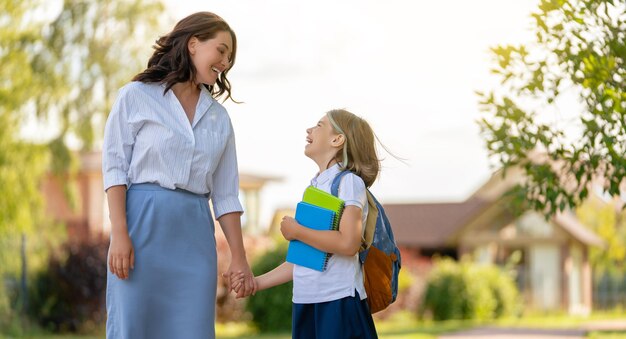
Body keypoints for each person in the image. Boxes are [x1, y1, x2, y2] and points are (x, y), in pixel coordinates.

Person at [102, 12, 254, 339]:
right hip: (141, 229)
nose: (226, 62)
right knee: (134, 328)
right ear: (194, 44)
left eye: (230, 57)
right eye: (222, 51)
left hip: (195, 238)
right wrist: (119, 232)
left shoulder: (219, 119)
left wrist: (239, 259)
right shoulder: (136, 96)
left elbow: (226, 195)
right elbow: (114, 167)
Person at [231, 109, 379, 338]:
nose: (309, 130)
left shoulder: (348, 182)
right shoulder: (314, 189)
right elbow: (300, 262)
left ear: (337, 139)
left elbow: (348, 243)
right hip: (306, 301)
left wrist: (298, 231)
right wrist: (255, 284)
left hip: (338, 301)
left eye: (319, 125)